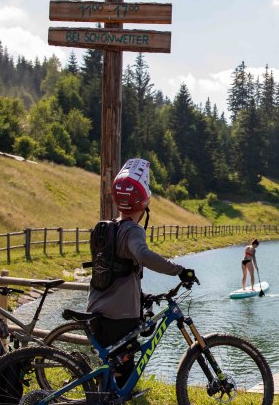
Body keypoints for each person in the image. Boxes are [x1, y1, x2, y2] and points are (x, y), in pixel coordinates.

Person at [86, 158, 197, 388]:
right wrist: (179, 271)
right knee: (122, 376)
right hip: (120, 318)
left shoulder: (108, 228)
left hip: (97, 311)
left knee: (111, 374)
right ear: (144, 203)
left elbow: (118, 273)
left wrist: (142, 296)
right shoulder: (133, 231)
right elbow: (143, 255)